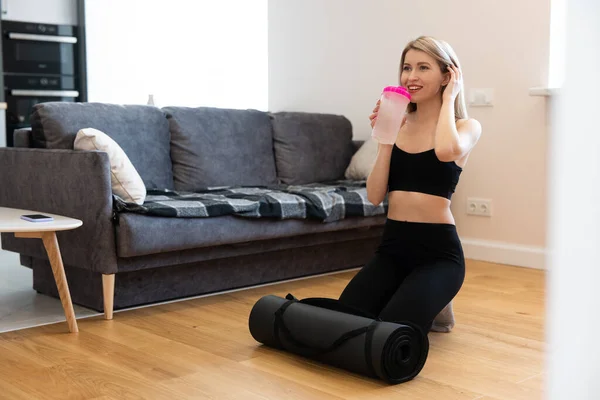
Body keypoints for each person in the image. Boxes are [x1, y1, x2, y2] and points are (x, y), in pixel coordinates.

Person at [338, 36, 482, 334]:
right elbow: (375, 196)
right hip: (392, 249)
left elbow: (445, 151)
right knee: (344, 321)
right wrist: (386, 139)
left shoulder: (465, 127)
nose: (411, 76)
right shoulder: (398, 123)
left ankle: (429, 299)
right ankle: (424, 302)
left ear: (447, 75)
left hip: (438, 254)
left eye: (423, 67)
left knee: (389, 331)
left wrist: (449, 97)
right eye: (406, 67)